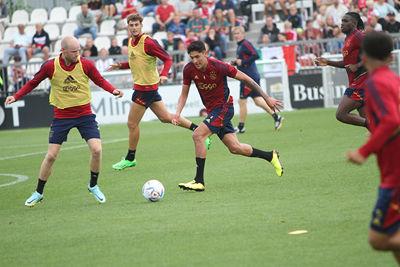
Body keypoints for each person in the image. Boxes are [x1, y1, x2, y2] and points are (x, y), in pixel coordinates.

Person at [4, 36, 124, 207]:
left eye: (79, 51)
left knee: (97, 150)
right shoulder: (50, 66)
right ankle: (38, 192)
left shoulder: (86, 64)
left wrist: (113, 90)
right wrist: (16, 96)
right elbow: (33, 82)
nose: (78, 54)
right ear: (63, 51)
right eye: (74, 51)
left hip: (85, 114)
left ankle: (93, 185)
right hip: (62, 116)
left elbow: (99, 80)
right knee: (51, 155)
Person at [172, 41, 283, 191]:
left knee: (198, 135)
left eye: (197, 57)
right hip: (214, 112)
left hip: (224, 108)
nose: (195, 61)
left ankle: (199, 181)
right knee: (235, 148)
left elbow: (247, 79)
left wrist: (266, 98)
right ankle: (271, 156)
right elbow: (184, 93)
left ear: (205, 53)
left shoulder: (219, 66)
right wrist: (178, 113)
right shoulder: (189, 69)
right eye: (192, 58)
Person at [107, 13, 211, 171]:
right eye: (131, 25)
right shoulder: (130, 42)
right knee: (165, 117)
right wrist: (120, 66)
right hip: (146, 88)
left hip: (145, 89)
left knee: (132, 123)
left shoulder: (148, 42)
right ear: (128, 27)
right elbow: (135, 61)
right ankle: (200, 130)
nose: (134, 27)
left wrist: (164, 74)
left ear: (142, 26)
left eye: (137, 25)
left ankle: (130, 158)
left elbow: (168, 58)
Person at [346, 31, 400, 264]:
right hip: (392, 169)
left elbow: (391, 121)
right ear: (391, 58)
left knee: (378, 239)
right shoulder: (395, 80)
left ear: (364, 58)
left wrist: (363, 151)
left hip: (395, 175)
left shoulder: (375, 83)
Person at [315, 12, 369, 128]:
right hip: (357, 81)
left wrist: (358, 66)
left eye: (346, 21)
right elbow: (347, 64)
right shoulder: (348, 38)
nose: (342, 23)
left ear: (354, 23)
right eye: (342, 21)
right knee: (366, 120)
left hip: (362, 81)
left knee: (341, 114)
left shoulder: (358, 36)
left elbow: (375, 52)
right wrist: (328, 62)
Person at [231, 26, 283, 133]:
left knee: (242, 101)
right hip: (250, 76)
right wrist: (236, 62)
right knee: (258, 101)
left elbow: (256, 55)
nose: (236, 35)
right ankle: (276, 117)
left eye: (238, 33)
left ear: (243, 34)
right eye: (235, 33)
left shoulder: (245, 44)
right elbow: (243, 60)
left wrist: (243, 62)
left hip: (248, 77)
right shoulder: (240, 46)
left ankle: (241, 127)